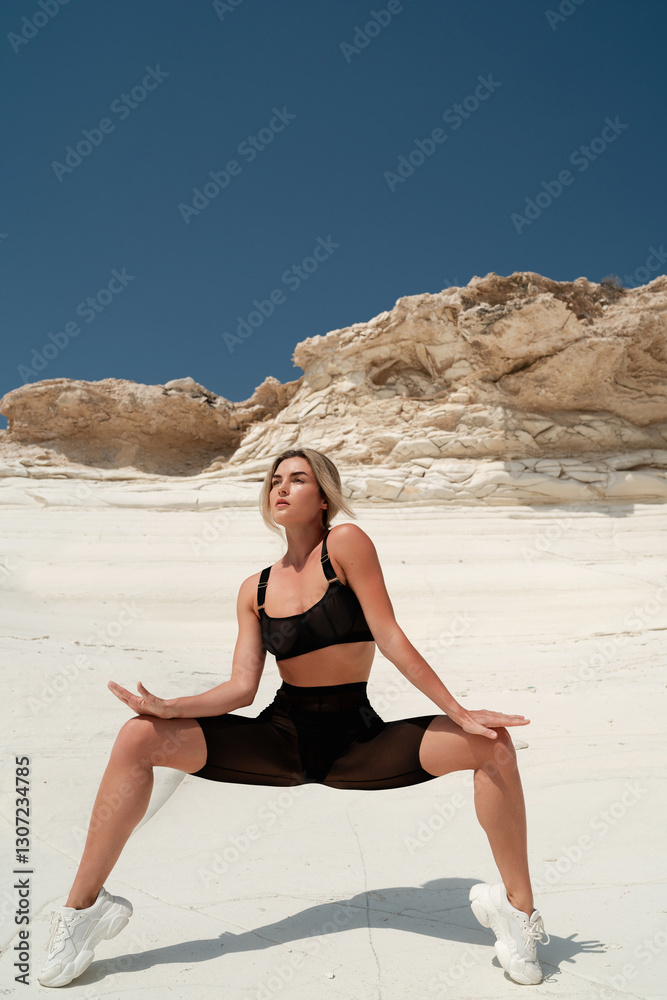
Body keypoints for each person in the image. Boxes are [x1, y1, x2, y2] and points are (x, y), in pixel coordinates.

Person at [39, 446, 549, 988]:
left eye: (297, 479)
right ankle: (81, 913)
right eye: (274, 479)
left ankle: (516, 912)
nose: (280, 488)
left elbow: (390, 636)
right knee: (137, 737)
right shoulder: (254, 589)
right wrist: (168, 709)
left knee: (490, 743)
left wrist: (459, 711)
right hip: (282, 737)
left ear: (323, 494)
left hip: (357, 741)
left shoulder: (346, 545)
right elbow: (241, 688)